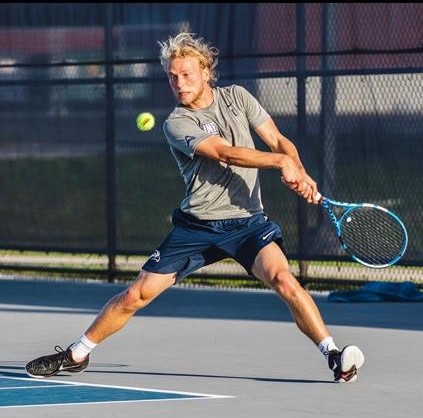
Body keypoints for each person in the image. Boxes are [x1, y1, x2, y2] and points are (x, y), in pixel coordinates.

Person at [25, 32, 364, 383]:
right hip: (197, 228)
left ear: (206, 71)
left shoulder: (237, 98)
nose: (179, 83)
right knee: (134, 296)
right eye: (172, 76)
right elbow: (223, 153)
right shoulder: (177, 122)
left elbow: (278, 140)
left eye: (186, 74)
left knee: (285, 281)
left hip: (248, 223)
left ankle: (335, 356)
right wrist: (280, 163)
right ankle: (76, 354)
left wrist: (300, 172)